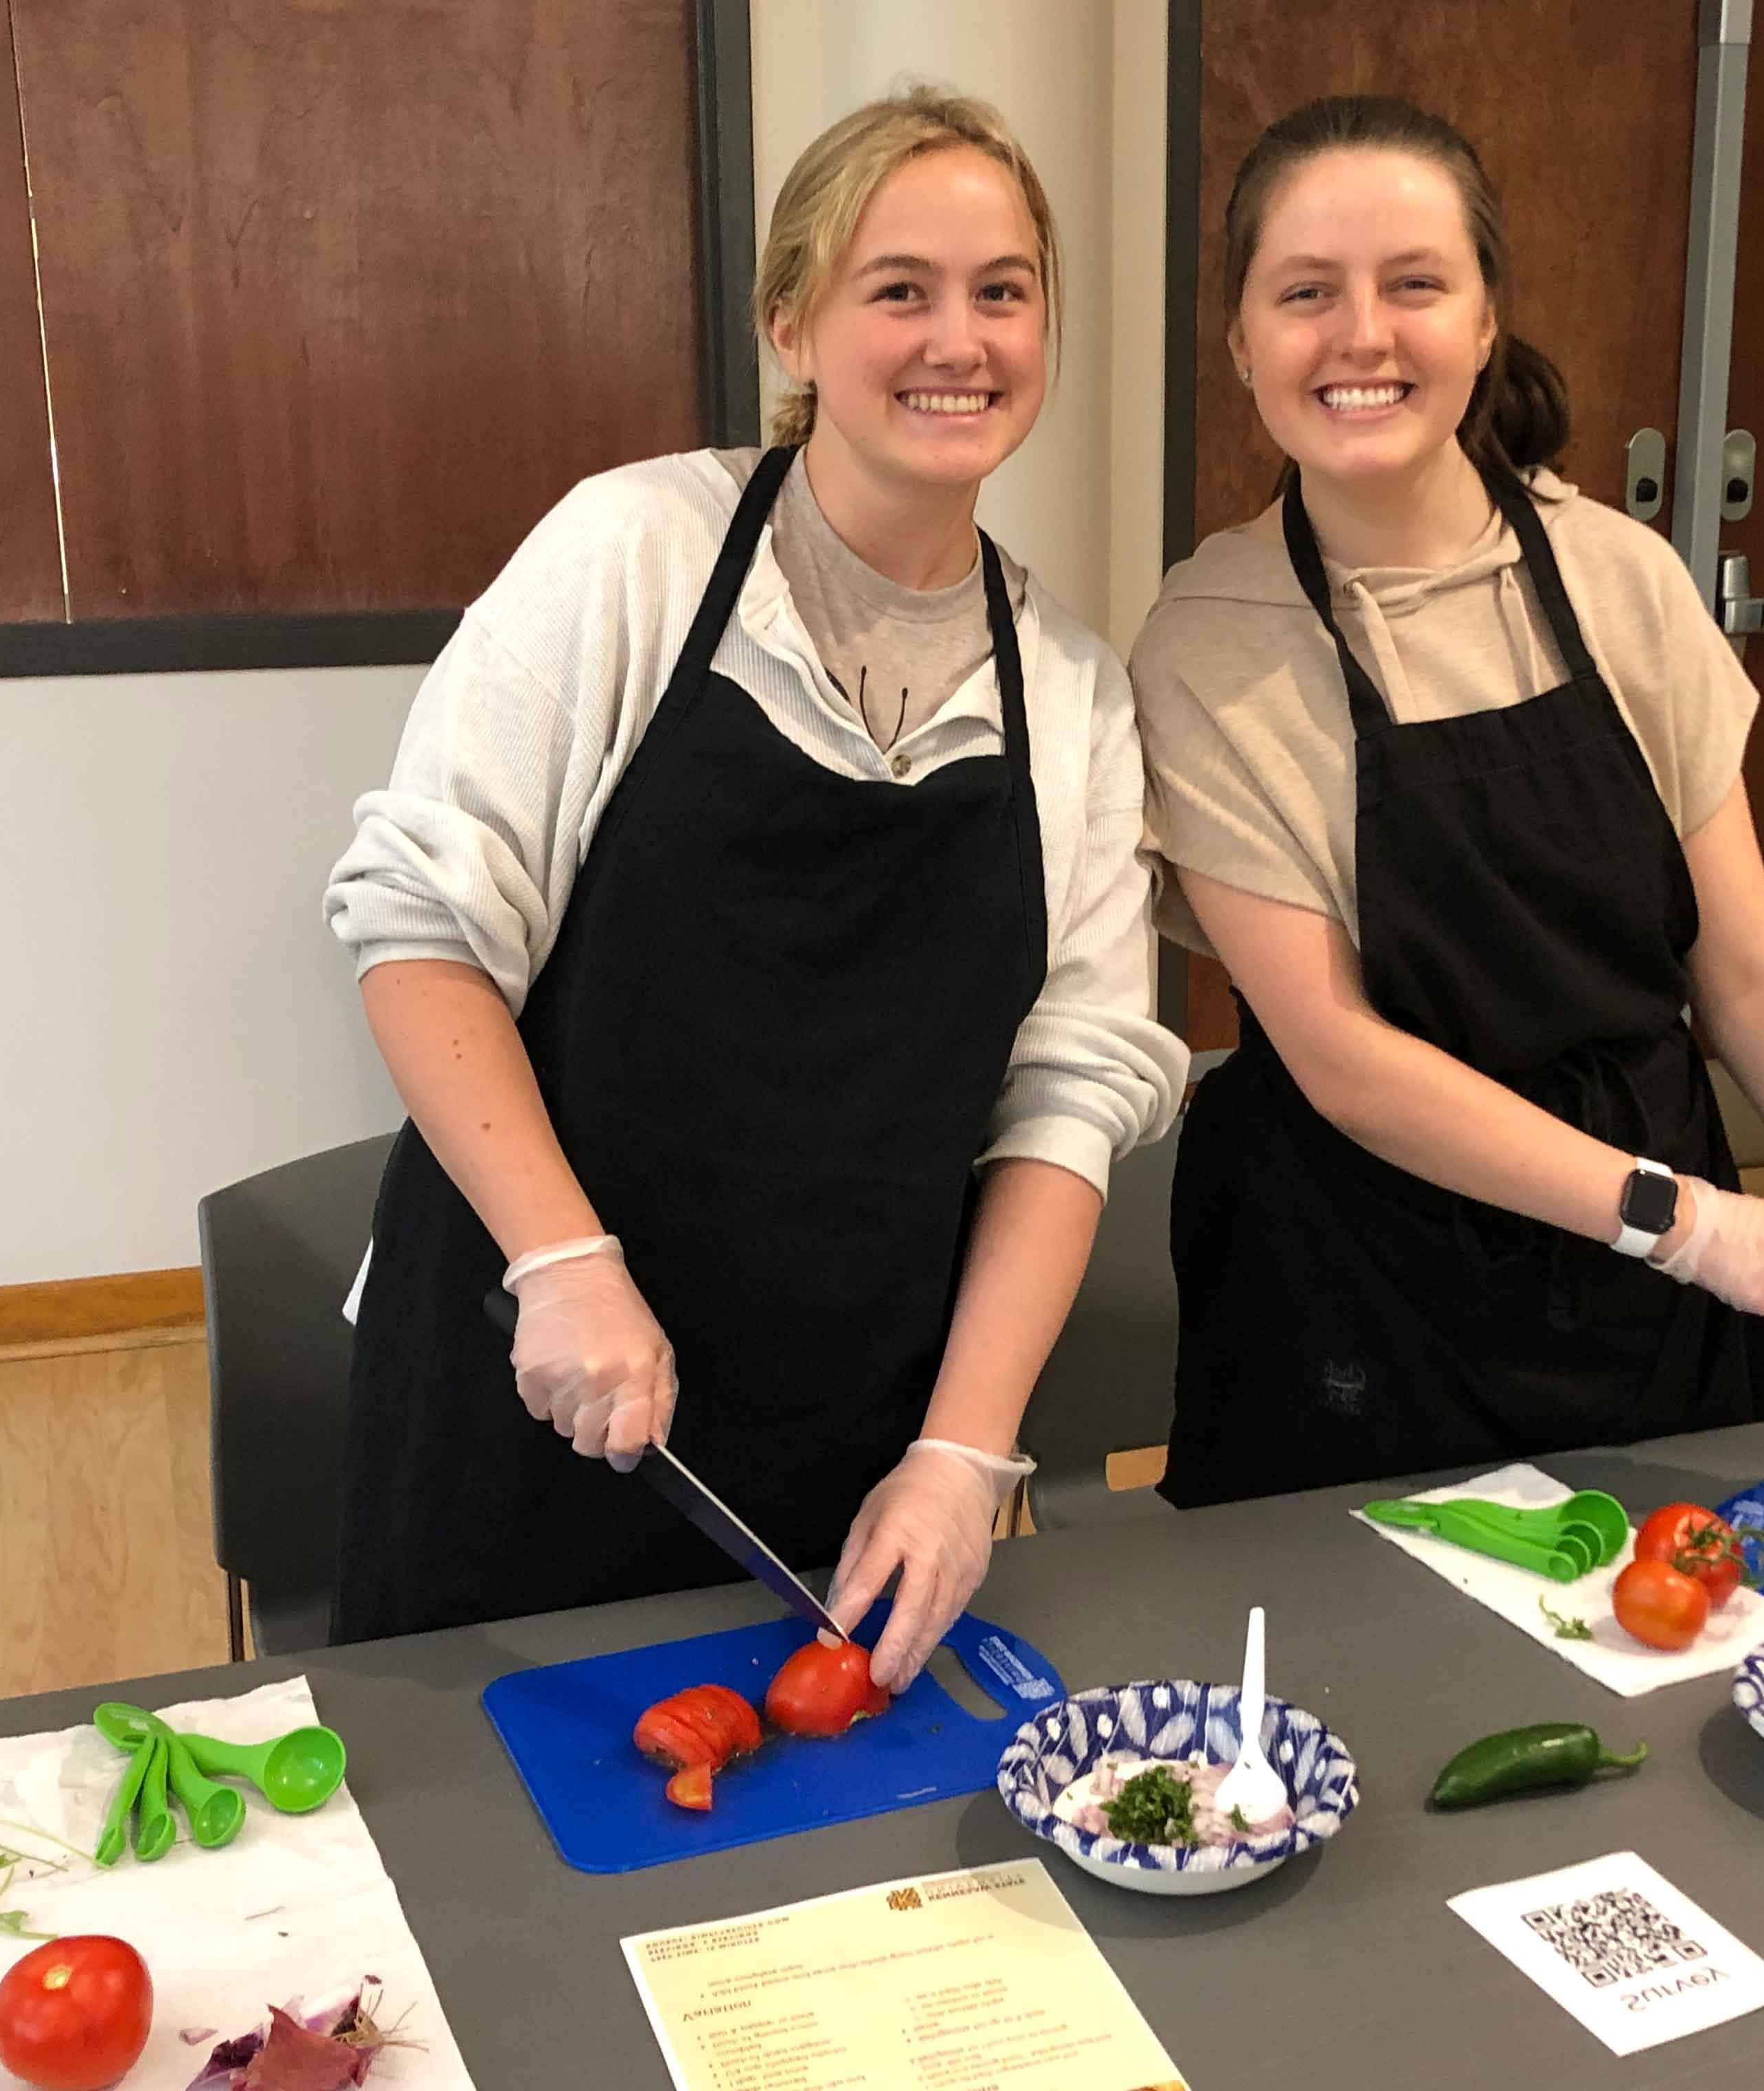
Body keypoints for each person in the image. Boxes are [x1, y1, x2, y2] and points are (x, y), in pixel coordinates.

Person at [322, 87, 1185, 1680]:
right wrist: (565, 1265)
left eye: (1003, 292)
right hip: (537, 1377)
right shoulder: (633, 554)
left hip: (851, 1432)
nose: (960, 339)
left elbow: (1071, 1094)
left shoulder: (1069, 689)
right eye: (899, 289)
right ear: (793, 323)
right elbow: (420, 927)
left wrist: (964, 1453)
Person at [1127, 95, 1764, 1509]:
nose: (1361, 336)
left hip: (1651, 1291)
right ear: (1242, 341)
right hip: (1361, 1291)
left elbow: (1747, 966)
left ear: (1487, 319)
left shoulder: (1619, 579)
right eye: (1306, 293)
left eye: (1415, 284)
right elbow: (1341, 1054)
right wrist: (1687, 1225)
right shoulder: (1208, 640)